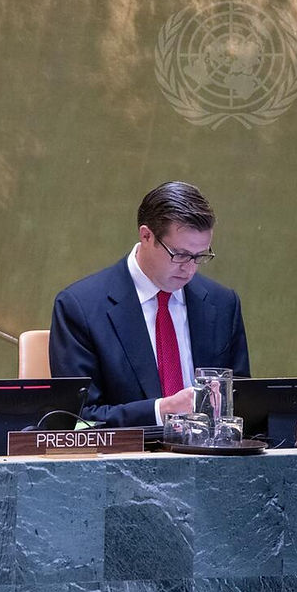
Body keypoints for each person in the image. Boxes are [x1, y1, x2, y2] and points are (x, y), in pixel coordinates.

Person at [49, 181, 250, 428]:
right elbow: (78, 418)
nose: (189, 269)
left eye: (200, 256)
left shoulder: (223, 303)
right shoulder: (80, 307)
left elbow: (242, 401)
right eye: (180, 255)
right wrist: (160, 411)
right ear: (146, 236)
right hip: (128, 451)